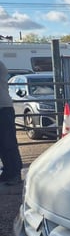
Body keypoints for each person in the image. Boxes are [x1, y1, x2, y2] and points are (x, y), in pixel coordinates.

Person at [0, 59, 23, 189]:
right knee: (2, 144)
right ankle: (8, 171)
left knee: (8, 142)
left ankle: (15, 173)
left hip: (3, 108)